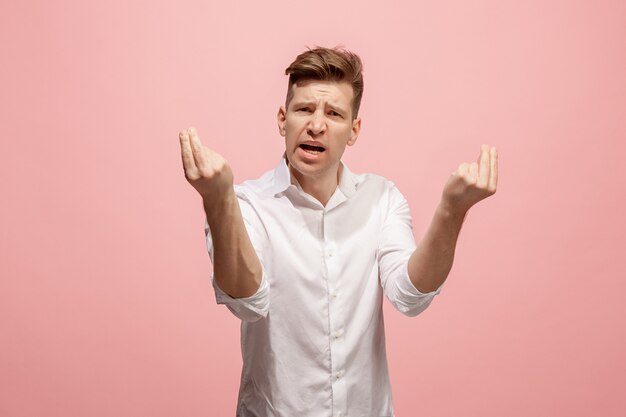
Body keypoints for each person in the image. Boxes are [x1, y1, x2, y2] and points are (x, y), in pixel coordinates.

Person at [178, 46, 498, 417]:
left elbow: (411, 297)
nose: (316, 125)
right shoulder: (245, 204)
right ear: (282, 119)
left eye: (333, 113)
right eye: (304, 110)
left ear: (354, 130)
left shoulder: (382, 199)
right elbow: (248, 303)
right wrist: (218, 201)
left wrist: (452, 211)